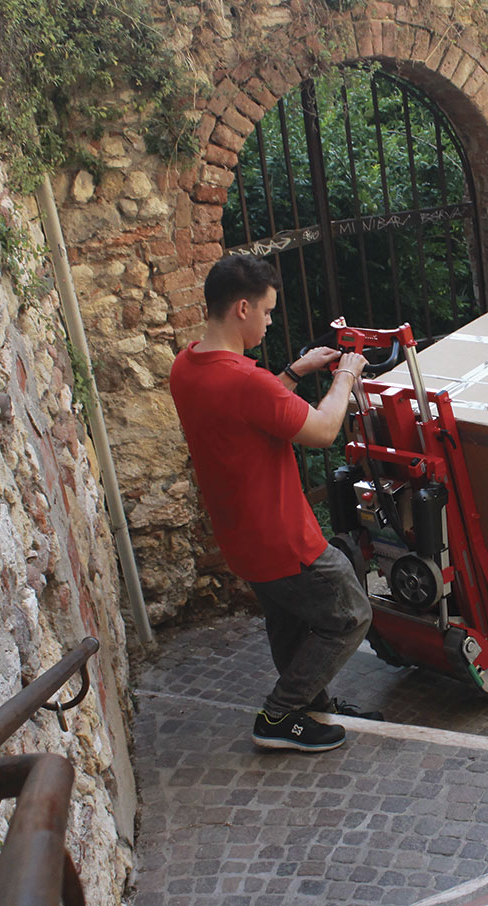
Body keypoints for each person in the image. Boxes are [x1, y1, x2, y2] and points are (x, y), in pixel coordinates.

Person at [169, 254, 378, 752]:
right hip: (282, 535)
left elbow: (245, 414)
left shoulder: (187, 365)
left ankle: (309, 705)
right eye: (266, 312)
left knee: (288, 620)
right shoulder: (245, 380)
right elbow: (323, 431)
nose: (269, 321)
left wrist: (292, 372)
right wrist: (345, 377)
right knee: (350, 613)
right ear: (242, 308)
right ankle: (281, 714)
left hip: (241, 537)